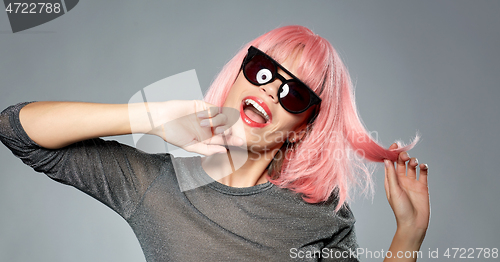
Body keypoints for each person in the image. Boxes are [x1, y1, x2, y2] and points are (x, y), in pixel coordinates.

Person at [0, 25, 429, 261]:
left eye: (293, 93)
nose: (268, 91)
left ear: (302, 126)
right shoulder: (156, 183)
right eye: (263, 71)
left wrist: (408, 235)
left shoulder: (320, 217)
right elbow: (17, 129)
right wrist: (148, 117)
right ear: (239, 74)